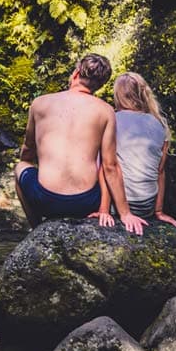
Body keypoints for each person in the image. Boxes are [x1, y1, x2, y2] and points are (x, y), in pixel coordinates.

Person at [14, 54, 148, 235]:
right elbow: (110, 166)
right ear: (100, 85)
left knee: (21, 166)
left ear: (76, 72)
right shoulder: (106, 110)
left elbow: (28, 151)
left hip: (45, 200)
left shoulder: (39, 103)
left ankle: (37, 228)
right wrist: (125, 213)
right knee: (102, 162)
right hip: (85, 202)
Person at [111, 72, 176, 229]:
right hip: (146, 206)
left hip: (118, 205)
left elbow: (107, 166)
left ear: (118, 95)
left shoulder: (112, 119)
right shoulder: (160, 124)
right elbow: (160, 171)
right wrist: (158, 211)